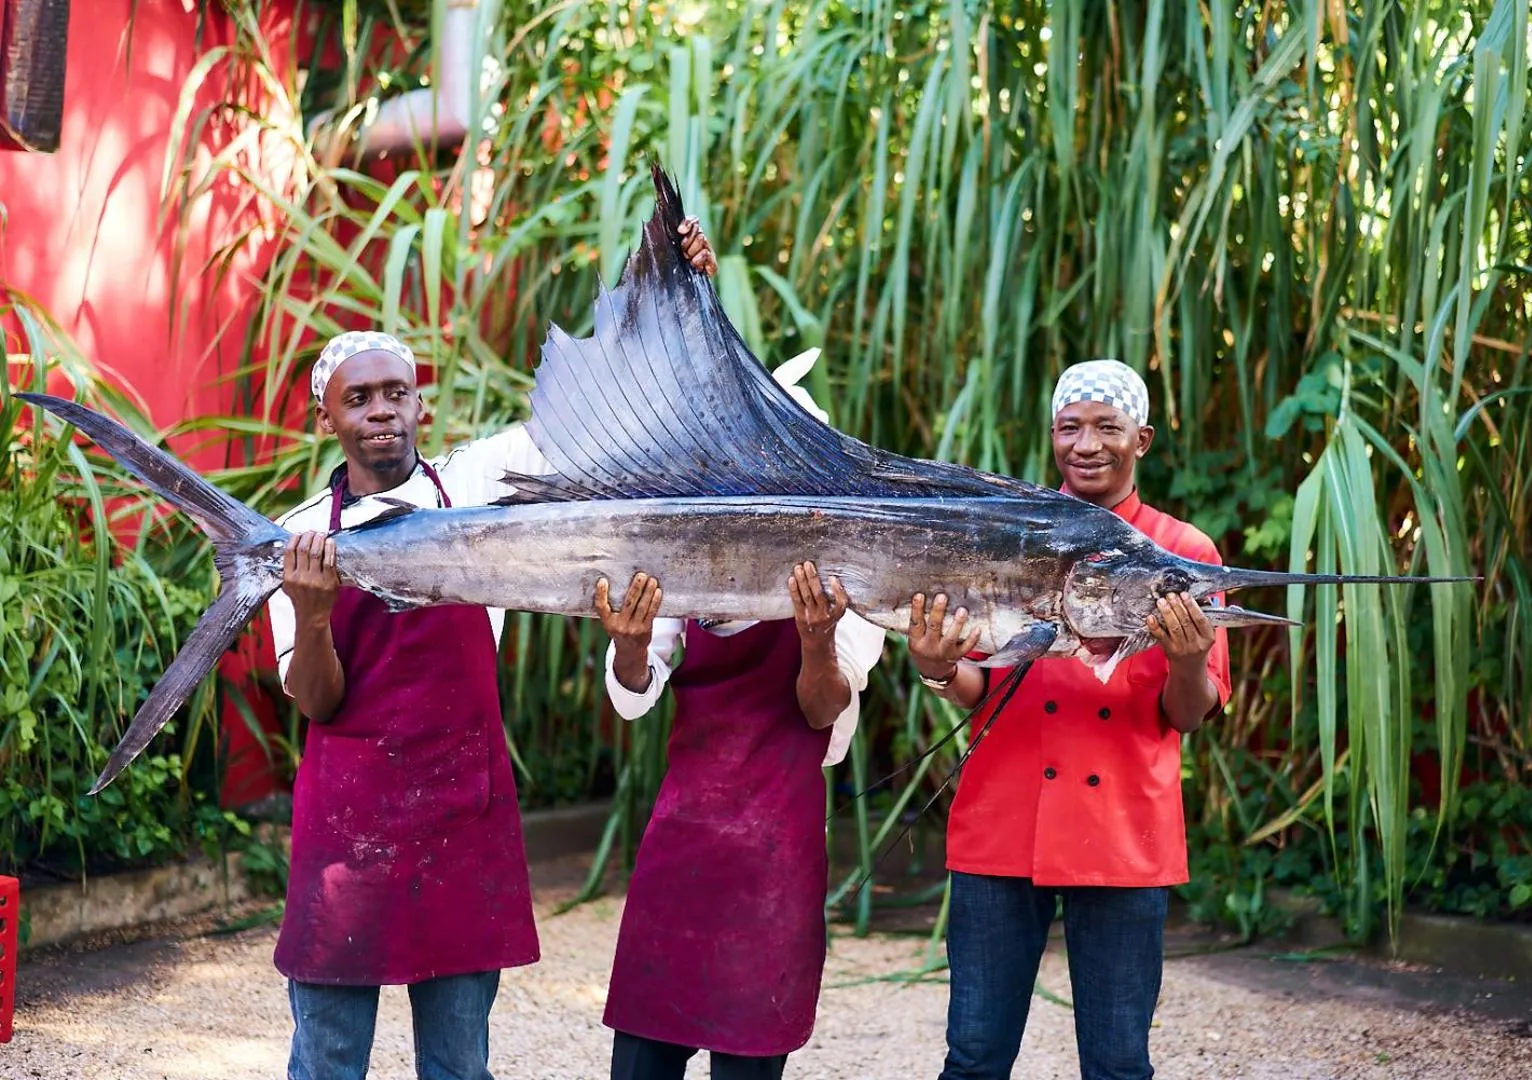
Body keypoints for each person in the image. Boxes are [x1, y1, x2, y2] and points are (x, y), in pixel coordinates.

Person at [267, 220, 719, 1080]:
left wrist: (672, 278)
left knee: (458, 1066)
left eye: (396, 394)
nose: (381, 412)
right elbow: (317, 701)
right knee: (326, 1062)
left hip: (459, 817)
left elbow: (604, 395)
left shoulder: (476, 485)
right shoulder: (298, 541)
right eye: (359, 398)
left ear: (419, 406)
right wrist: (315, 614)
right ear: (324, 415)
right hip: (346, 829)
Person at [906, 358, 1232, 1080]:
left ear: (1141, 439)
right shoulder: (1002, 535)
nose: (1086, 444)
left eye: (1106, 428)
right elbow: (974, 687)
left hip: (1122, 835)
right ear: (1052, 435)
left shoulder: (1186, 554)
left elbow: (1189, 714)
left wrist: (1185, 660)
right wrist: (933, 664)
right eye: (1069, 428)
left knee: (1118, 1064)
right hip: (1000, 827)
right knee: (975, 1056)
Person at [593, 555, 888, 1079]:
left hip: (778, 840)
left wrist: (817, 641)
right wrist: (630, 646)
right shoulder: (697, 539)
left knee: (750, 1049)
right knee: (644, 1048)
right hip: (683, 828)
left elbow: (822, 711)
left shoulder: (849, 555)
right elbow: (635, 697)